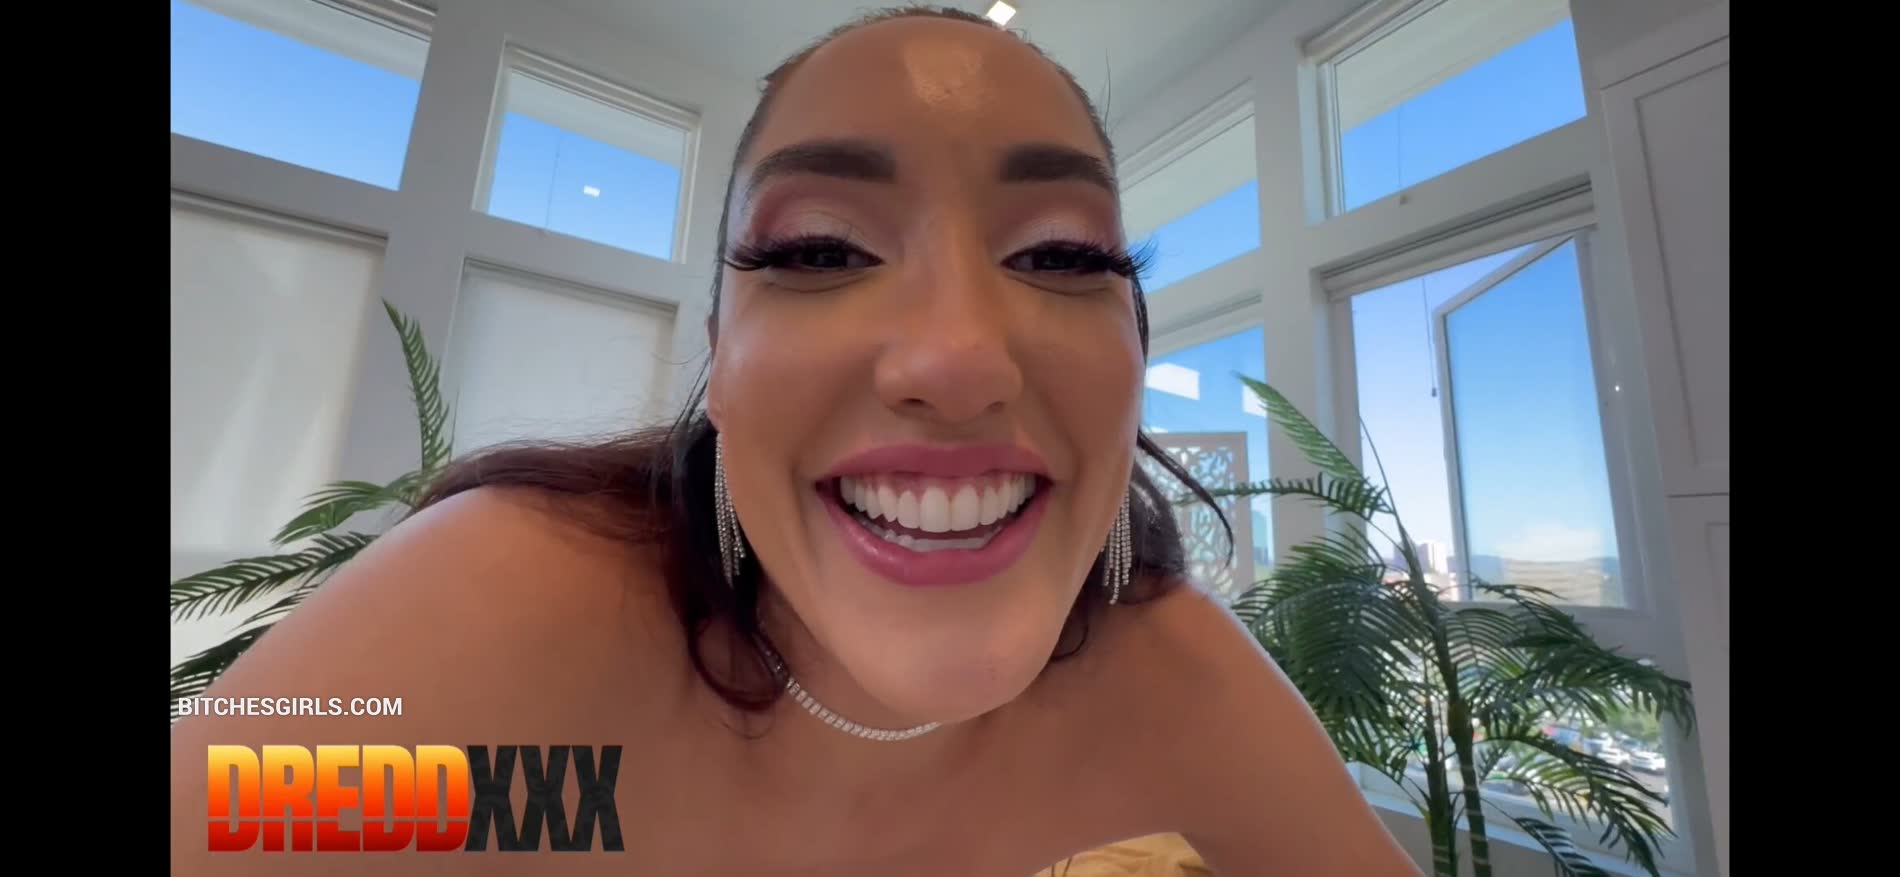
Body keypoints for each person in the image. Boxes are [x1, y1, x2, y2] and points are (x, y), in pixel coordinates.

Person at [170, 7, 1422, 875]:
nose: (957, 359)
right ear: (718, 357)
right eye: (820, 249)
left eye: (1059, 254)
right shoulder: (520, 620)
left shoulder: (1160, 679)